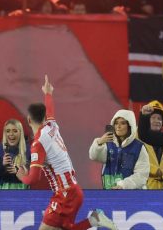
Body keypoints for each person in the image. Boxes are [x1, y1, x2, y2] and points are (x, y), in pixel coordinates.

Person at [16, 75, 116, 230]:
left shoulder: (38, 143)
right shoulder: (51, 126)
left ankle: (95, 219)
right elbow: (50, 111)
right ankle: (94, 219)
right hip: (72, 191)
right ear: (44, 118)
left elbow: (34, 178)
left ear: (28, 120)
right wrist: (48, 93)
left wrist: (23, 177)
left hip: (65, 194)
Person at [89, 108, 149, 190]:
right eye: (116, 123)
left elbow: (141, 175)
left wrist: (123, 185)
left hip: (131, 195)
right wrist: (99, 143)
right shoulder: (108, 143)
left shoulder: (139, 147)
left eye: (123, 123)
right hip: (109, 192)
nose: (118, 126)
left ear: (130, 126)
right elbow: (94, 156)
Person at [139, 100, 163, 189]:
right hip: (142, 189)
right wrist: (156, 171)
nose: (157, 121)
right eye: (153, 117)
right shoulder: (137, 138)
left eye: (159, 119)